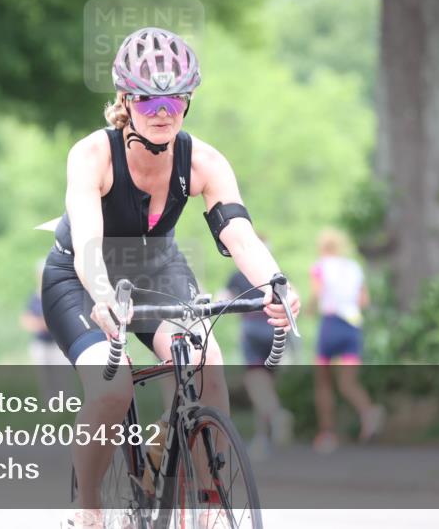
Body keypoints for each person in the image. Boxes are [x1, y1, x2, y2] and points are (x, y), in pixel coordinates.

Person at [41, 27, 300, 528]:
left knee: (206, 360)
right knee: (113, 388)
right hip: (81, 277)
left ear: (188, 101)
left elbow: (239, 234)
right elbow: (90, 242)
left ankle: (205, 499)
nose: (162, 112)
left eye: (175, 99)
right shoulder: (92, 155)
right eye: (148, 100)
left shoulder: (203, 161)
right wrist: (103, 295)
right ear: (125, 100)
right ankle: (88, 503)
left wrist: (275, 282)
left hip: (156, 268)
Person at [309, 228, 383, 454]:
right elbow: (363, 300)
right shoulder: (353, 267)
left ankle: (327, 434)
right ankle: (368, 412)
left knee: (323, 382)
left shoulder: (320, 266)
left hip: (331, 324)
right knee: (348, 383)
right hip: (352, 326)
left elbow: (317, 293)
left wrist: (310, 309)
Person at [219, 251, 296, 463]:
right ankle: (263, 439)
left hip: (252, 327)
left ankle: (276, 415)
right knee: (265, 387)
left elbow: (223, 297)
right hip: (277, 329)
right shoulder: (275, 272)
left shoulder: (238, 274)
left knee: (256, 383)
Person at [20, 259, 69, 401]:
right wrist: (41, 323)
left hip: (58, 345)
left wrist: (42, 323)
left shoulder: (59, 293)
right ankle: (50, 407)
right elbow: (26, 320)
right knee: (45, 380)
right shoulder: (34, 296)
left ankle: (67, 405)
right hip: (41, 344)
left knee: (63, 379)